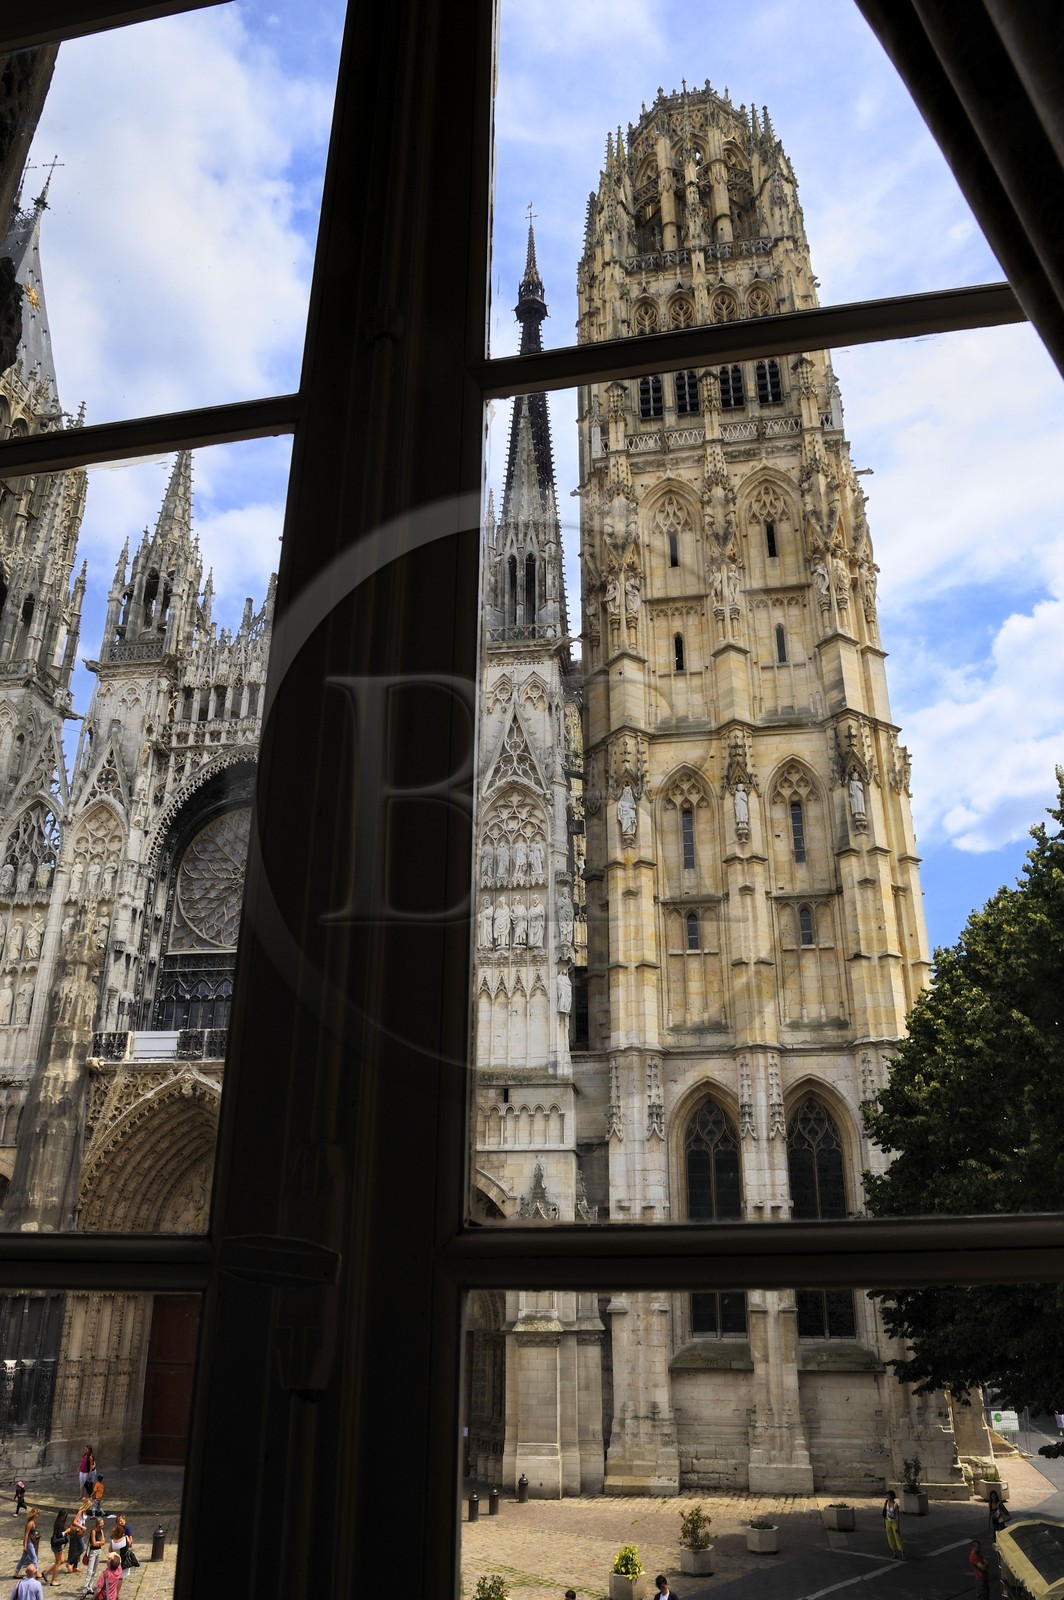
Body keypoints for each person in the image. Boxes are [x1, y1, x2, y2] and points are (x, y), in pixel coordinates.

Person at [44, 1510, 70, 1587]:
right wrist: (66, 1531)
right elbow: (59, 1535)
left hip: (56, 1544)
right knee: (58, 1562)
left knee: (61, 1560)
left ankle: (46, 1572)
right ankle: (53, 1580)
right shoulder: (59, 1524)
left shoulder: (58, 1523)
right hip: (57, 1545)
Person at [80, 1521, 105, 1599]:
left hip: (99, 1551)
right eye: (101, 1523)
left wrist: (99, 1543)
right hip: (93, 1552)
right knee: (89, 1571)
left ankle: (89, 1587)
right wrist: (100, 1542)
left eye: (103, 1523)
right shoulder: (93, 1531)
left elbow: (104, 1542)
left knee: (94, 1570)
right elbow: (93, 1543)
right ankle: (84, 1588)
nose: (102, 1525)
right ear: (97, 1524)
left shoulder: (101, 1531)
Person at [14, 1509, 38, 1576]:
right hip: (29, 1543)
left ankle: (16, 1572)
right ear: (35, 1514)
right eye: (37, 1514)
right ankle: (36, 1572)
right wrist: (25, 1545)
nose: (38, 1515)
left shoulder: (33, 1522)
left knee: (23, 1558)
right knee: (34, 1558)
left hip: (31, 1542)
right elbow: (26, 1534)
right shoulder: (30, 1523)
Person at [882, 1489, 904, 1559]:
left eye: (888, 1495)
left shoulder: (895, 1505)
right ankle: (894, 1552)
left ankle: (902, 1552)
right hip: (887, 1521)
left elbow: (897, 1516)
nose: (887, 1497)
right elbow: (885, 1513)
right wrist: (884, 1522)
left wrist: (898, 1526)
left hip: (894, 1522)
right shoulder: (886, 1503)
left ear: (891, 1496)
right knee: (890, 1537)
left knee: (897, 1537)